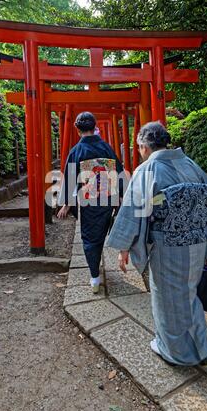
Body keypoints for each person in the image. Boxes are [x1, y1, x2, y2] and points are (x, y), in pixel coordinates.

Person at [107, 122, 207, 367]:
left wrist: (124, 248)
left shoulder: (147, 170)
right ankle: (200, 346)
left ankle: (176, 353)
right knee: (190, 294)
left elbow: (134, 210)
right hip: (198, 243)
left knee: (168, 299)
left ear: (143, 146)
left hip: (168, 246)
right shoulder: (191, 164)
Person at [57, 112, 125, 293]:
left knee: (89, 237)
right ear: (95, 127)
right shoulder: (106, 148)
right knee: (101, 233)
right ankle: (96, 270)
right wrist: (119, 195)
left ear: (77, 129)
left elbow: (70, 178)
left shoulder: (76, 151)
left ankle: (94, 276)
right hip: (107, 198)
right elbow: (118, 171)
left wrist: (67, 204)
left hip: (88, 200)